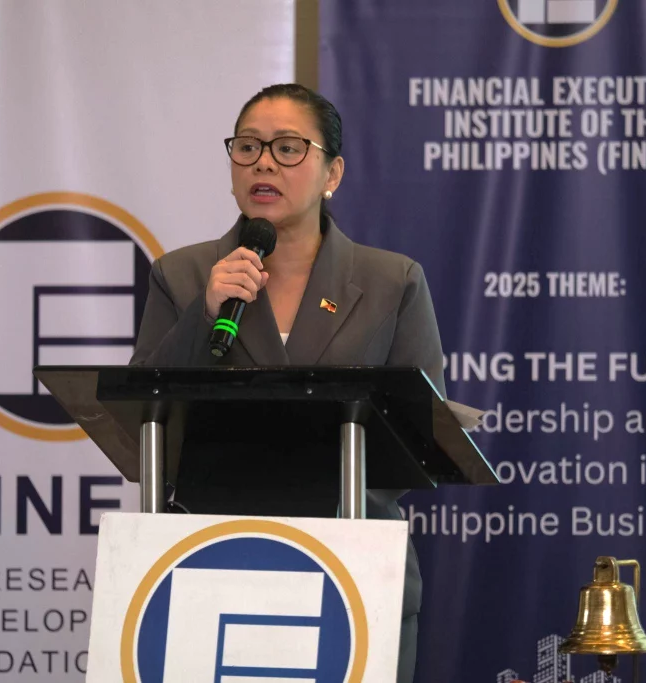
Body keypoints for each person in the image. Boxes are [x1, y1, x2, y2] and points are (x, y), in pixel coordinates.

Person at [130, 83, 446, 683]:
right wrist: (205, 312)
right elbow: (141, 413)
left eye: (288, 148)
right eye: (247, 147)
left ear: (333, 173)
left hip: (349, 566)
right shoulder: (185, 274)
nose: (264, 164)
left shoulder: (392, 281)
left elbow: (421, 435)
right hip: (211, 562)